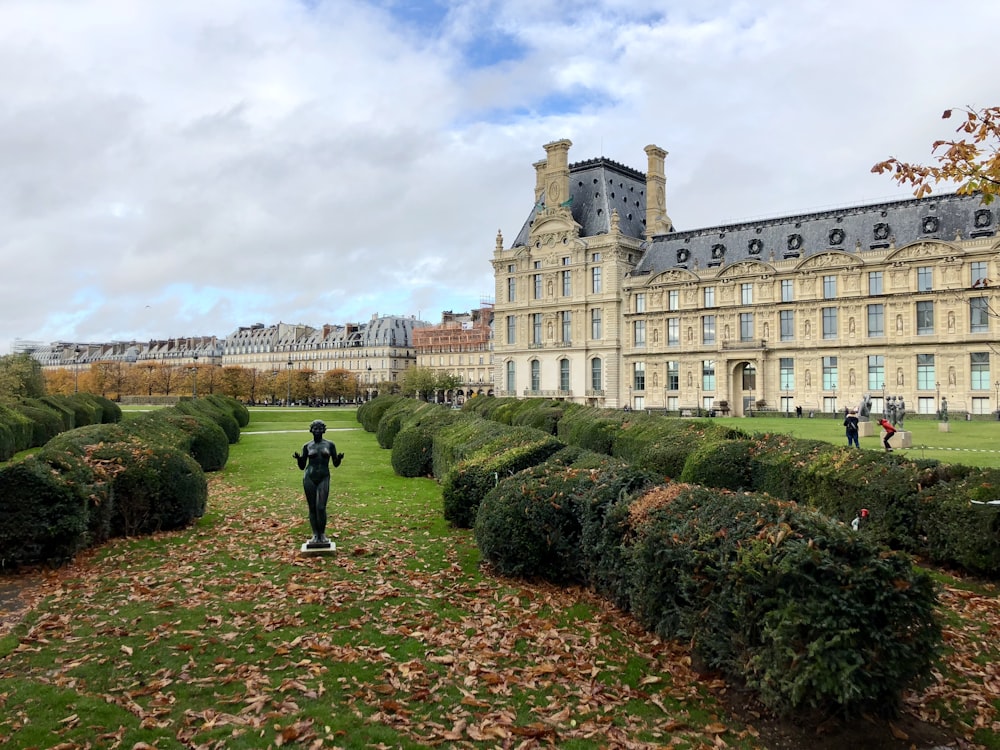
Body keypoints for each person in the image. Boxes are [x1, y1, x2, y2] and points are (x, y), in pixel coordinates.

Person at [293, 419, 344, 545]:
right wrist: (299, 459)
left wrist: (339, 459)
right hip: (309, 477)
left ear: (324, 430)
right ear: (311, 430)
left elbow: (335, 464)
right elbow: (302, 466)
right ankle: (315, 535)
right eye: (315, 428)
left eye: (320, 428)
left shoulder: (330, 445)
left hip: (324, 477)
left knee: (321, 507)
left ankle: (322, 534)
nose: (317, 431)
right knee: (312, 507)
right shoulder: (307, 446)